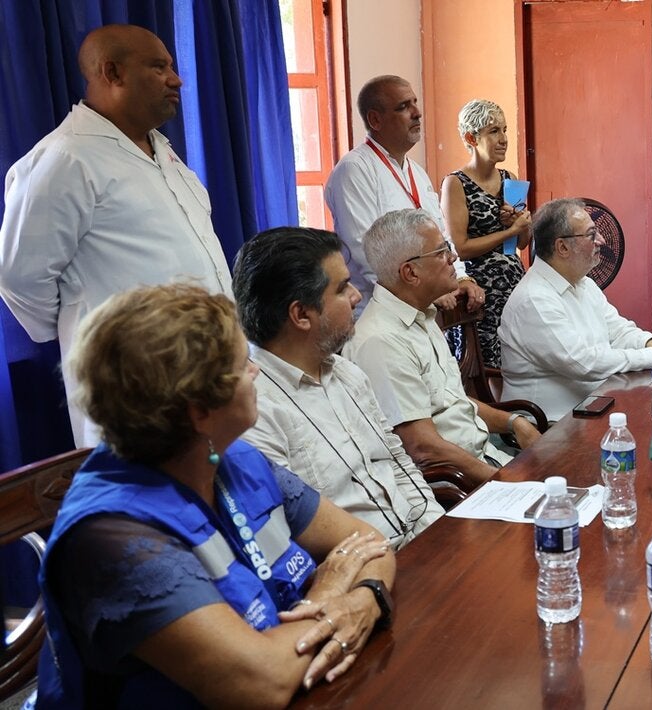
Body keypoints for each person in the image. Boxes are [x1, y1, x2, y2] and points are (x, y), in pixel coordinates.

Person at [39, 284, 396, 707]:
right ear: (199, 410)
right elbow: (260, 684)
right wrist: (329, 592)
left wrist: (366, 597)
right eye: (243, 363)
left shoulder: (235, 458)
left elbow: (370, 545)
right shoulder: (108, 539)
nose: (256, 372)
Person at [0, 24, 232, 446]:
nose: (176, 79)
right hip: (132, 387)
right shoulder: (64, 159)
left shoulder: (165, 153)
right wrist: (90, 324)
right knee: (149, 507)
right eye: (159, 67)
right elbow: (19, 278)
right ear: (113, 73)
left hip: (208, 374)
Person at [233, 227, 442, 550]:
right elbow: (295, 538)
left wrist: (439, 535)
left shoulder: (346, 372)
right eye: (343, 288)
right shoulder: (254, 411)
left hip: (420, 545)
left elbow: (399, 465)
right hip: (365, 573)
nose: (358, 295)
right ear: (301, 314)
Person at [346, 209, 538, 483]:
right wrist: (505, 483)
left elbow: (450, 399)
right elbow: (422, 447)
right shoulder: (380, 340)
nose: (454, 257)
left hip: (486, 456)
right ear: (410, 272)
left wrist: (513, 422)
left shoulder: (422, 315)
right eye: (441, 252)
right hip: (458, 484)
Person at [498, 198, 652, 421]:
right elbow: (583, 363)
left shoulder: (584, 283)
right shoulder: (534, 299)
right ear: (562, 247)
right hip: (549, 426)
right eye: (591, 235)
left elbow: (618, 330)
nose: (601, 240)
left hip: (594, 407)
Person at [326, 75, 481, 316]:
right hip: (379, 313)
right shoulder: (354, 170)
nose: (417, 113)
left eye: (415, 103)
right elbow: (365, 250)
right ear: (375, 119)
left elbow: (440, 233)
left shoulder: (416, 172)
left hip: (424, 305)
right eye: (403, 107)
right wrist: (424, 292)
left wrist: (460, 277)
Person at [439, 98, 532, 366]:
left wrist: (522, 223)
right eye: (493, 131)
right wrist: (508, 232)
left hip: (513, 285)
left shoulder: (509, 178)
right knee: (485, 369)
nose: (503, 139)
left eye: (504, 130)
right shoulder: (455, 183)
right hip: (480, 293)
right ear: (471, 137)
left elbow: (522, 243)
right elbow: (461, 247)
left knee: (517, 362)